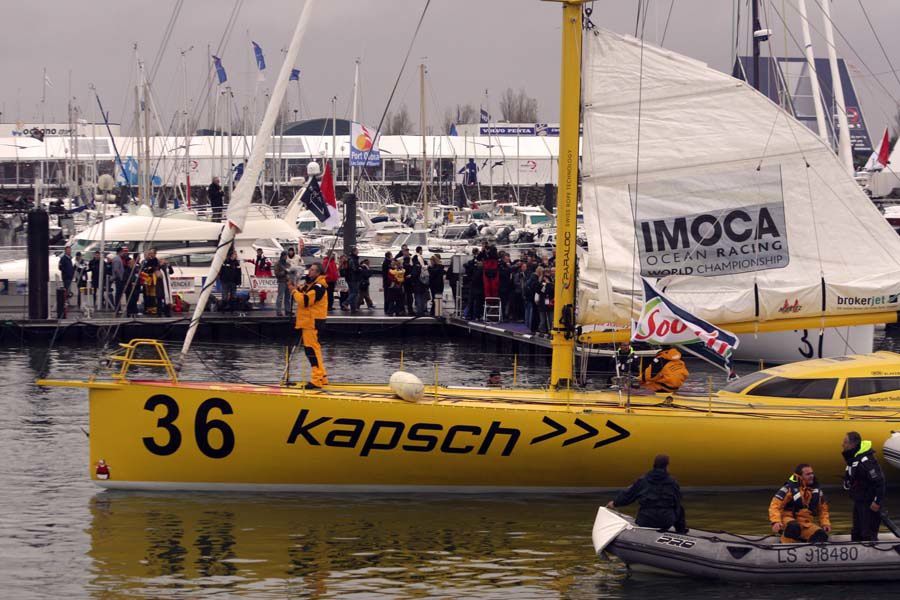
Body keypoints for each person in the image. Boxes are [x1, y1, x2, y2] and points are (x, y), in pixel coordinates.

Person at [606, 454, 687, 533]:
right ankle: (681, 531)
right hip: (666, 522)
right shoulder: (673, 482)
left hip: (645, 521)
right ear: (667, 466)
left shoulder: (643, 480)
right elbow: (677, 502)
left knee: (644, 507)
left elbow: (628, 496)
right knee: (679, 507)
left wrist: (615, 503)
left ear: (654, 464)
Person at [288, 262, 328, 388]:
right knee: (314, 349)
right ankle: (322, 377)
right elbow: (302, 291)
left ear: (317, 273)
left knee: (311, 350)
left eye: (312, 270)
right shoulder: (311, 285)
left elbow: (304, 301)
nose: (309, 272)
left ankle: (316, 379)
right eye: (310, 269)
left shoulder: (318, 287)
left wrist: (294, 292)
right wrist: (294, 287)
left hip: (313, 322)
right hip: (308, 322)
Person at [768, 464, 831, 543]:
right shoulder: (789, 489)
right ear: (800, 476)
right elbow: (775, 505)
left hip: (805, 523)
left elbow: (823, 510)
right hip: (787, 520)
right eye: (808, 474)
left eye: (812, 473)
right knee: (794, 527)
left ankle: (806, 550)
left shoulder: (816, 491)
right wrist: (775, 521)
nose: (811, 476)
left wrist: (825, 523)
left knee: (821, 535)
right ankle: (783, 545)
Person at [842, 431, 887, 541]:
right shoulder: (853, 460)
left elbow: (880, 481)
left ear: (853, 444)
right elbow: (851, 477)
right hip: (858, 501)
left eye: (845, 442)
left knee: (867, 534)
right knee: (856, 532)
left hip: (869, 503)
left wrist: (877, 502)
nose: (843, 445)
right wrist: (847, 483)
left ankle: (873, 551)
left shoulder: (866, 460)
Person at [274, 250, 290, 317]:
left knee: (288, 297)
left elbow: (291, 272)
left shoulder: (288, 264)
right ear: (282, 256)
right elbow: (276, 273)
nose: (286, 257)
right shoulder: (278, 264)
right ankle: (278, 311)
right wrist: (284, 272)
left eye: (287, 255)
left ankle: (288, 310)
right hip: (281, 282)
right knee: (280, 297)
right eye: (285, 255)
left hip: (288, 281)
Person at [111, 246, 127, 314]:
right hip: (119, 279)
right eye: (123, 252)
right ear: (120, 252)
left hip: (119, 278)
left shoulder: (117, 258)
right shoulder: (117, 259)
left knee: (119, 294)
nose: (124, 253)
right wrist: (121, 278)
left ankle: (118, 308)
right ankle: (117, 309)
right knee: (118, 294)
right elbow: (116, 269)